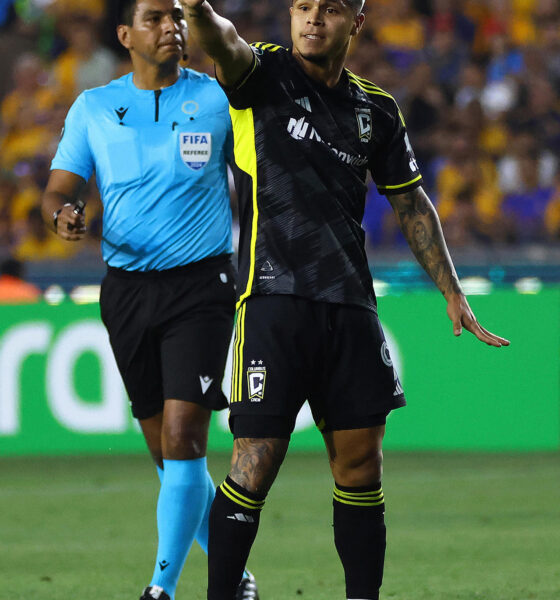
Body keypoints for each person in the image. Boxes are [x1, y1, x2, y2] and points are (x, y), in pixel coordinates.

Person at [180, 1, 511, 599]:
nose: (312, 20)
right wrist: (195, 8)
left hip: (351, 307)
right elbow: (220, 40)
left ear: (354, 21)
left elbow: (410, 203)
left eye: (328, 9)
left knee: (361, 468)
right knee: (255, 463)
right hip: (273, 302)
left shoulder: (376, 110)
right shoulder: (262, 75)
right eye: (302, 7)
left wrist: (452, 289)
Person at [40, 1, 258, 599]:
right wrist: (61, 212)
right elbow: (60, 186)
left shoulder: (217, 99)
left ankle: (159, 590)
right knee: (170, 459)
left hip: (202, 287)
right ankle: (236, 578)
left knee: (186, 438)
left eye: (178, 17)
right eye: (157, 18)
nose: (172, 27)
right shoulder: (93, 108)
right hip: (127, 293)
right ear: (126, 35)